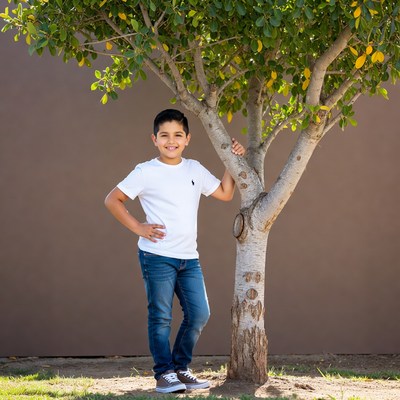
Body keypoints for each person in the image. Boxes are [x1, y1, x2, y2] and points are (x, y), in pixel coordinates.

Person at [104, 109, 245, 393]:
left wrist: (233, 161)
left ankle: (180, 368)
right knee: (161, 316)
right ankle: (163, 373)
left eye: (178, 135)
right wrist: (138, 227)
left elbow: (225, 193)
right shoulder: (145, 171)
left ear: (187, 139)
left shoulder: (193, 168)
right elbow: (112, 199)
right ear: (154, 139)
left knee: (199, 314)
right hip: (156, 257)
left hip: (189, 258)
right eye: (164, 135)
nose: (171, 141)